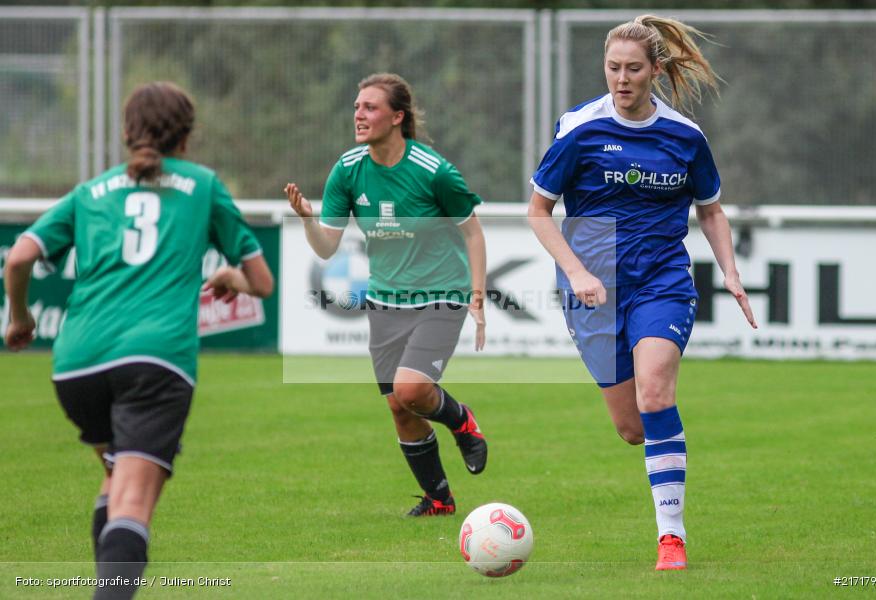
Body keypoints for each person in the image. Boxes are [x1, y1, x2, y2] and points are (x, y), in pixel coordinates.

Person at [3, 82, 273, 599]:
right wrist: (231, 279)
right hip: (155, 361)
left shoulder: (92, 190)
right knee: (133, 500)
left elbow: (18, 257)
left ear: (128, 132)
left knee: (115, 477)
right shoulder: (203, 185)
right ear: (187, 135)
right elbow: (261, 283)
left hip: (76, 365)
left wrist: (20, 321)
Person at [528, 15, 757, 570]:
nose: (622, 79)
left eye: (634, 69)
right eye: (613, 68)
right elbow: (538, 212)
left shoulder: (684, 137)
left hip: (663, 280)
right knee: (632, 427)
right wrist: (578, 272)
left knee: (655, 393)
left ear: (656, 70)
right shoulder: (579, 128)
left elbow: (711, 210)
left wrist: (729, 271)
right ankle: (659, 460)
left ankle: (671, 538)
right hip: (594, 290)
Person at [285, 73, 488, 517]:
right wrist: (306, 220)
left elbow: (472, 233)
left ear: (397, 117)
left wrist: (476, 298)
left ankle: (463, 422)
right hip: (385, 302)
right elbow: (327, 247)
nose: (359, 114)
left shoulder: (434, 171)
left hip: (441, 293)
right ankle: (440, 499)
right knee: (400, 408)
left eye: (370, 107)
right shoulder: (348, 169)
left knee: (412, 388)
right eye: (357, 106)